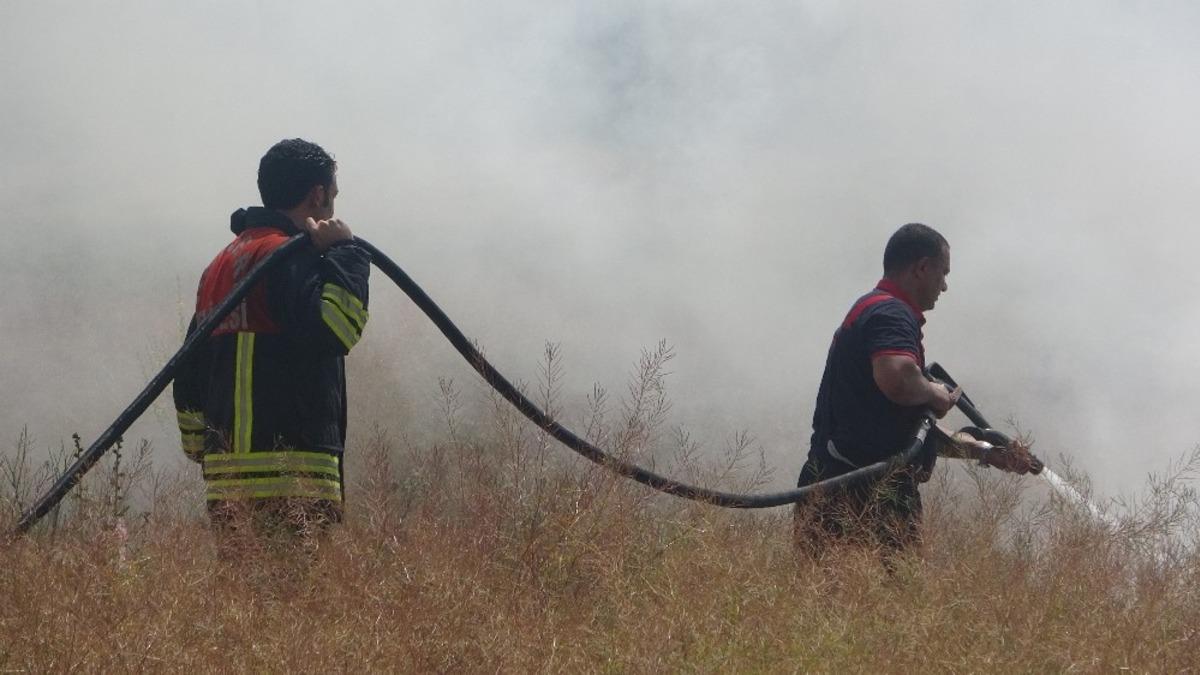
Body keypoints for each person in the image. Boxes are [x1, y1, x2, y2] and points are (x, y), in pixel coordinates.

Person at [173, 138, 371, 559]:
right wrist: (345, 255)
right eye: (332, 197)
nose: (332, 208)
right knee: (298, 614)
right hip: (294, 475)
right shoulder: (293, 255)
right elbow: (338, 329)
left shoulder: (222, 264)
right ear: (317, 195)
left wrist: (201, 448)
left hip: (227, 483)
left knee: (250, 610)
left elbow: (186, 371)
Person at [794, 223, 1033, 559]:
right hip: (863, 495)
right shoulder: (892, 313)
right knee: (885, 606)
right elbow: (899, 380)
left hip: (841, 486)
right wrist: (934, 393)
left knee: (832, 605)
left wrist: (986, 451)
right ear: (922, 268)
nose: (945, 286)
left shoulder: (875, 309)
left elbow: (908, 436)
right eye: (943, 273)